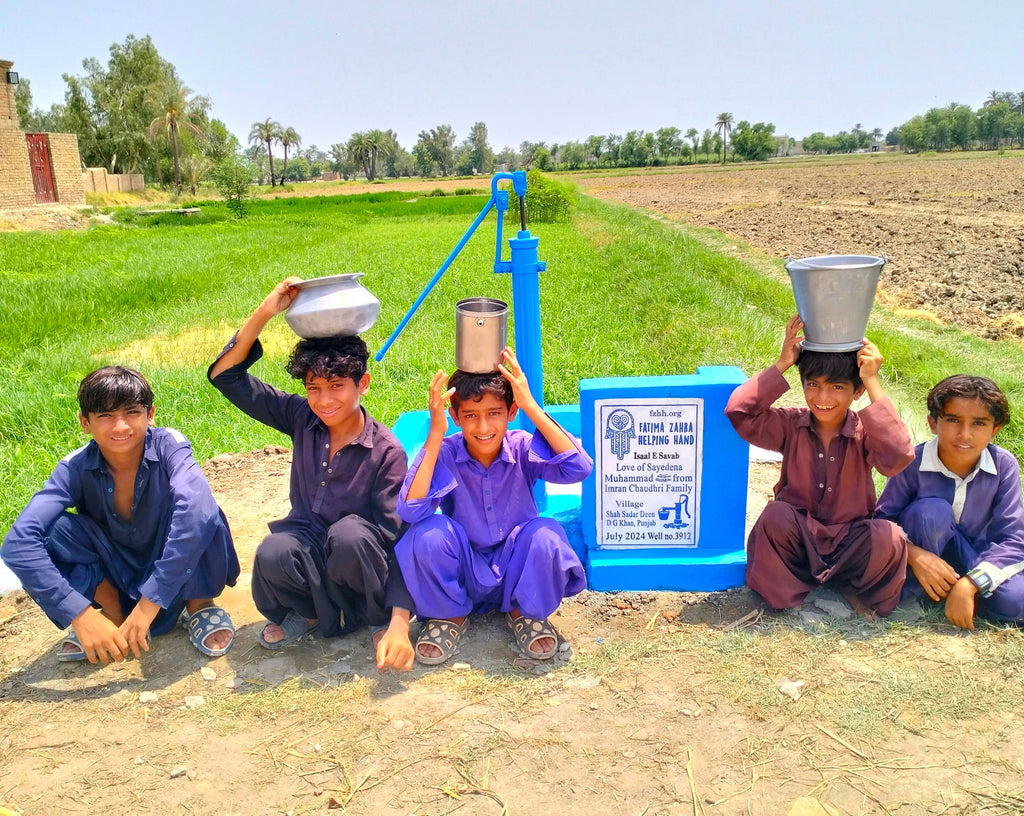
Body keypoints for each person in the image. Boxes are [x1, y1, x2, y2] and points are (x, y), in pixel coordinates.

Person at [208, 278, 413, 668]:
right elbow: (226, 377)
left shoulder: (386, 451)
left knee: (350, 534)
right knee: (275, 549)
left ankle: (373, 619)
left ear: (363, 384)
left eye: (336, 386)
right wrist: (267, 310)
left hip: (358, 563)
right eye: (313, 387)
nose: (323, 400)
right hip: (310, 550)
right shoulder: (301, 417)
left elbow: (400, 539)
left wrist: (401, 621)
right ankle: (315, 614)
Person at [1, 366, 240, 664]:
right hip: (116, 569)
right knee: (54, 531)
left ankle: (199, 604)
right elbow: (17, 543)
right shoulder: (73, 468)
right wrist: (80, 614)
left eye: (131, 413)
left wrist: (150, 602)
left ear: (150, 414)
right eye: (105, 416)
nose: (120, 426)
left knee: (201, 510)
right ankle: (112, 616)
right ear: (84, 423)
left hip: (174, 567)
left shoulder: (170, 445)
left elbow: (197, 511)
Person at [393, 348, 592, 666]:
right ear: (456, 417)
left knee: (546, 533)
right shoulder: (445, 451)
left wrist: (531, 406)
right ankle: (450, 615)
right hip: (465, 568)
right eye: (470, 415)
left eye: (494, 413)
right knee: (427, 533)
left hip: (516, 566)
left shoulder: (522, 446)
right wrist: (434, 433)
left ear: (510, 412)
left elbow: (578, 467)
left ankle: (523, 611)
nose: (483, 426)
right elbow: (410, 510)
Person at [725, 316, 914, 617]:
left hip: (851, 541)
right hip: (799, 539)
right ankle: (791, 597)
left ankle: (853, 593)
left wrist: (872, 379)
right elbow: (739, 412)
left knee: (890, 538)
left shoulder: (866, 431)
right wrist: (783, 363)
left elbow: (899, 455)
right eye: (813, 384)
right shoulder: (790, 424)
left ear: (857, 391)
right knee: (775, 517)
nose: (823, 398)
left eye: (837, 387)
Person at [875, 375, 1024, 629]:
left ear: (994, 430)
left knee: (1014, 603)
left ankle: (960, 593)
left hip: (976, 557)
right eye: (953, 420)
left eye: (979, 423)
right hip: (922, 558)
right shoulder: (913, 461)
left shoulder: (1003, 465)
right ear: (933, 423)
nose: (964, 434)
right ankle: (924, 590)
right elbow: (880, 522)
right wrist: (916, 556)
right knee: (931, 512)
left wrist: (972, 583)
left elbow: (1013, 539)